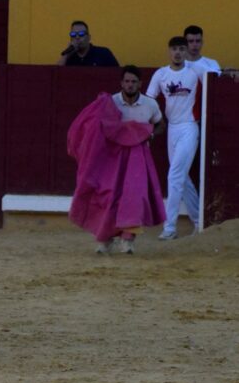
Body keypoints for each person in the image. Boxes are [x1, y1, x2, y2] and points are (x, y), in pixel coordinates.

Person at [67, 65, 166, 255]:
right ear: (121, 83)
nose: (130, 85)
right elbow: (94, 128)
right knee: (108, 196)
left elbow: (160, 124)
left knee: (134, 197)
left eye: (134, 82)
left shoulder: (150, 104)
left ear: (140, 84)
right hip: (111, 158)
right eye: (127, 81)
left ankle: (128, 240)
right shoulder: (110, 103)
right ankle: (105, 238)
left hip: (138, 155)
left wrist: (150, 135)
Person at [146, 36, 205, 240]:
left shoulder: (197, 71)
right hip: (172, 128)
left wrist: (231, 72)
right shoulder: (161, 74)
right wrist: (154, 123)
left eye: (181, 49)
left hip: (190, 127)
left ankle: (170, 227)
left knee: (175, 176)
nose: (178, 53)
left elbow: (217, 81)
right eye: (174, 49)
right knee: (182, 178)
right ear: (169, 51)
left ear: (186, 50)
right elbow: (149, 101)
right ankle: (199, 221)